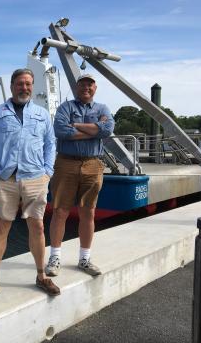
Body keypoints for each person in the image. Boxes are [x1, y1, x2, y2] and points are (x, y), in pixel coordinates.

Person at [0, 68, 60, 300]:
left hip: (36, 178)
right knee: (1, 228)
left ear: (32, 86)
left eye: (28, 84)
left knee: (37, 227)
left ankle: (41, 275)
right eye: (19, 84)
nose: (24, 88)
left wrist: (48, 171)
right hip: (6, 179)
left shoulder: (42, 114)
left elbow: (50, 144)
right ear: (12, 85)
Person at [45, 73, 114, 277]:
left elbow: (107, 129)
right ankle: (55, 258)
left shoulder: (103, 109)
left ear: (95, 88)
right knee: (60, 211)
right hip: (66, 163)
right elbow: (60, 131)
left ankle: (84, 259)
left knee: (88, 212)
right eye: (82, 84)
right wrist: (94, 130)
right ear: (76, 87)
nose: (86, 87)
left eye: (90, 84)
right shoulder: (66, 107)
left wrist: (75, 125)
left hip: (93, 165)